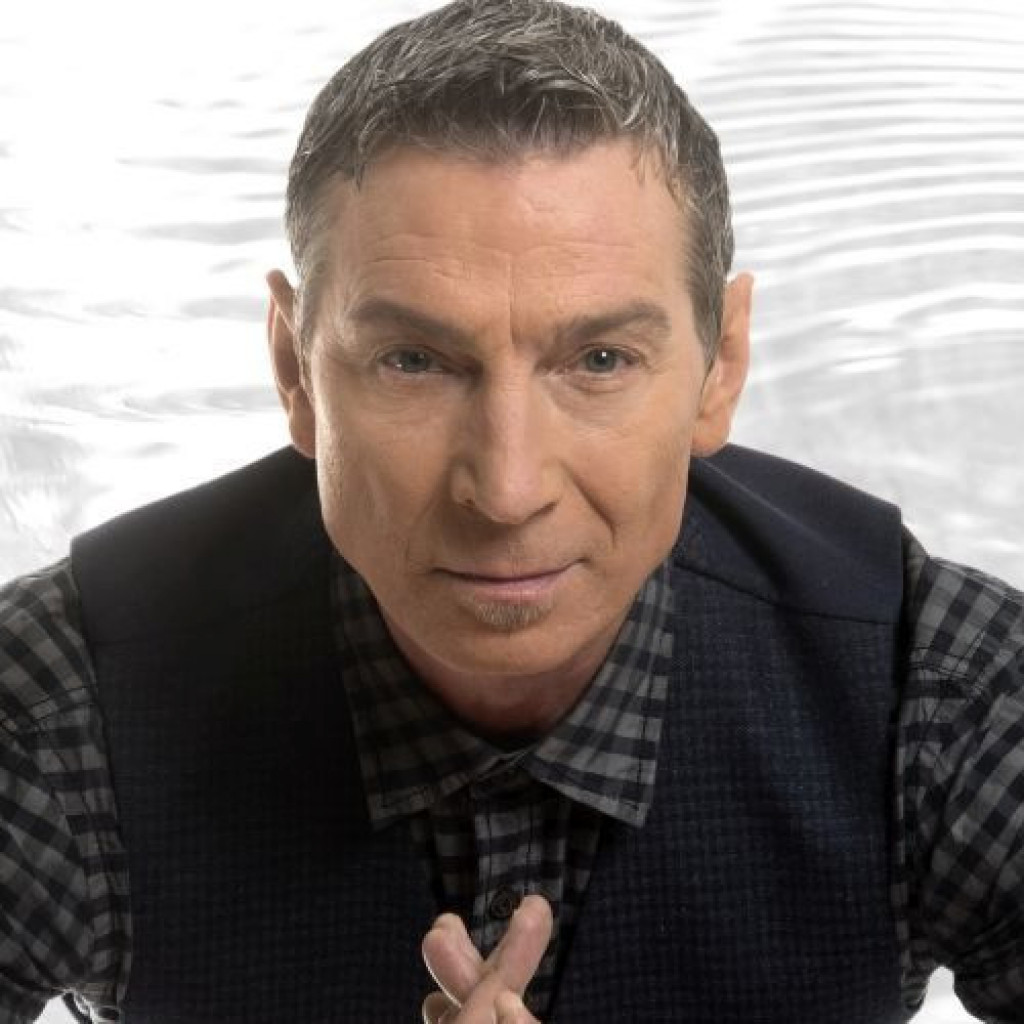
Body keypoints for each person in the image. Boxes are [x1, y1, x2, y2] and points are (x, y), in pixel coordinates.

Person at [1, 0, 1022, 1021]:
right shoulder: (55, 710)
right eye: (414, 361)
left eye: (600, 360)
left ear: (720, 365)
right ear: (294, 369)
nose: (506, 489)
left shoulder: (945, 694)